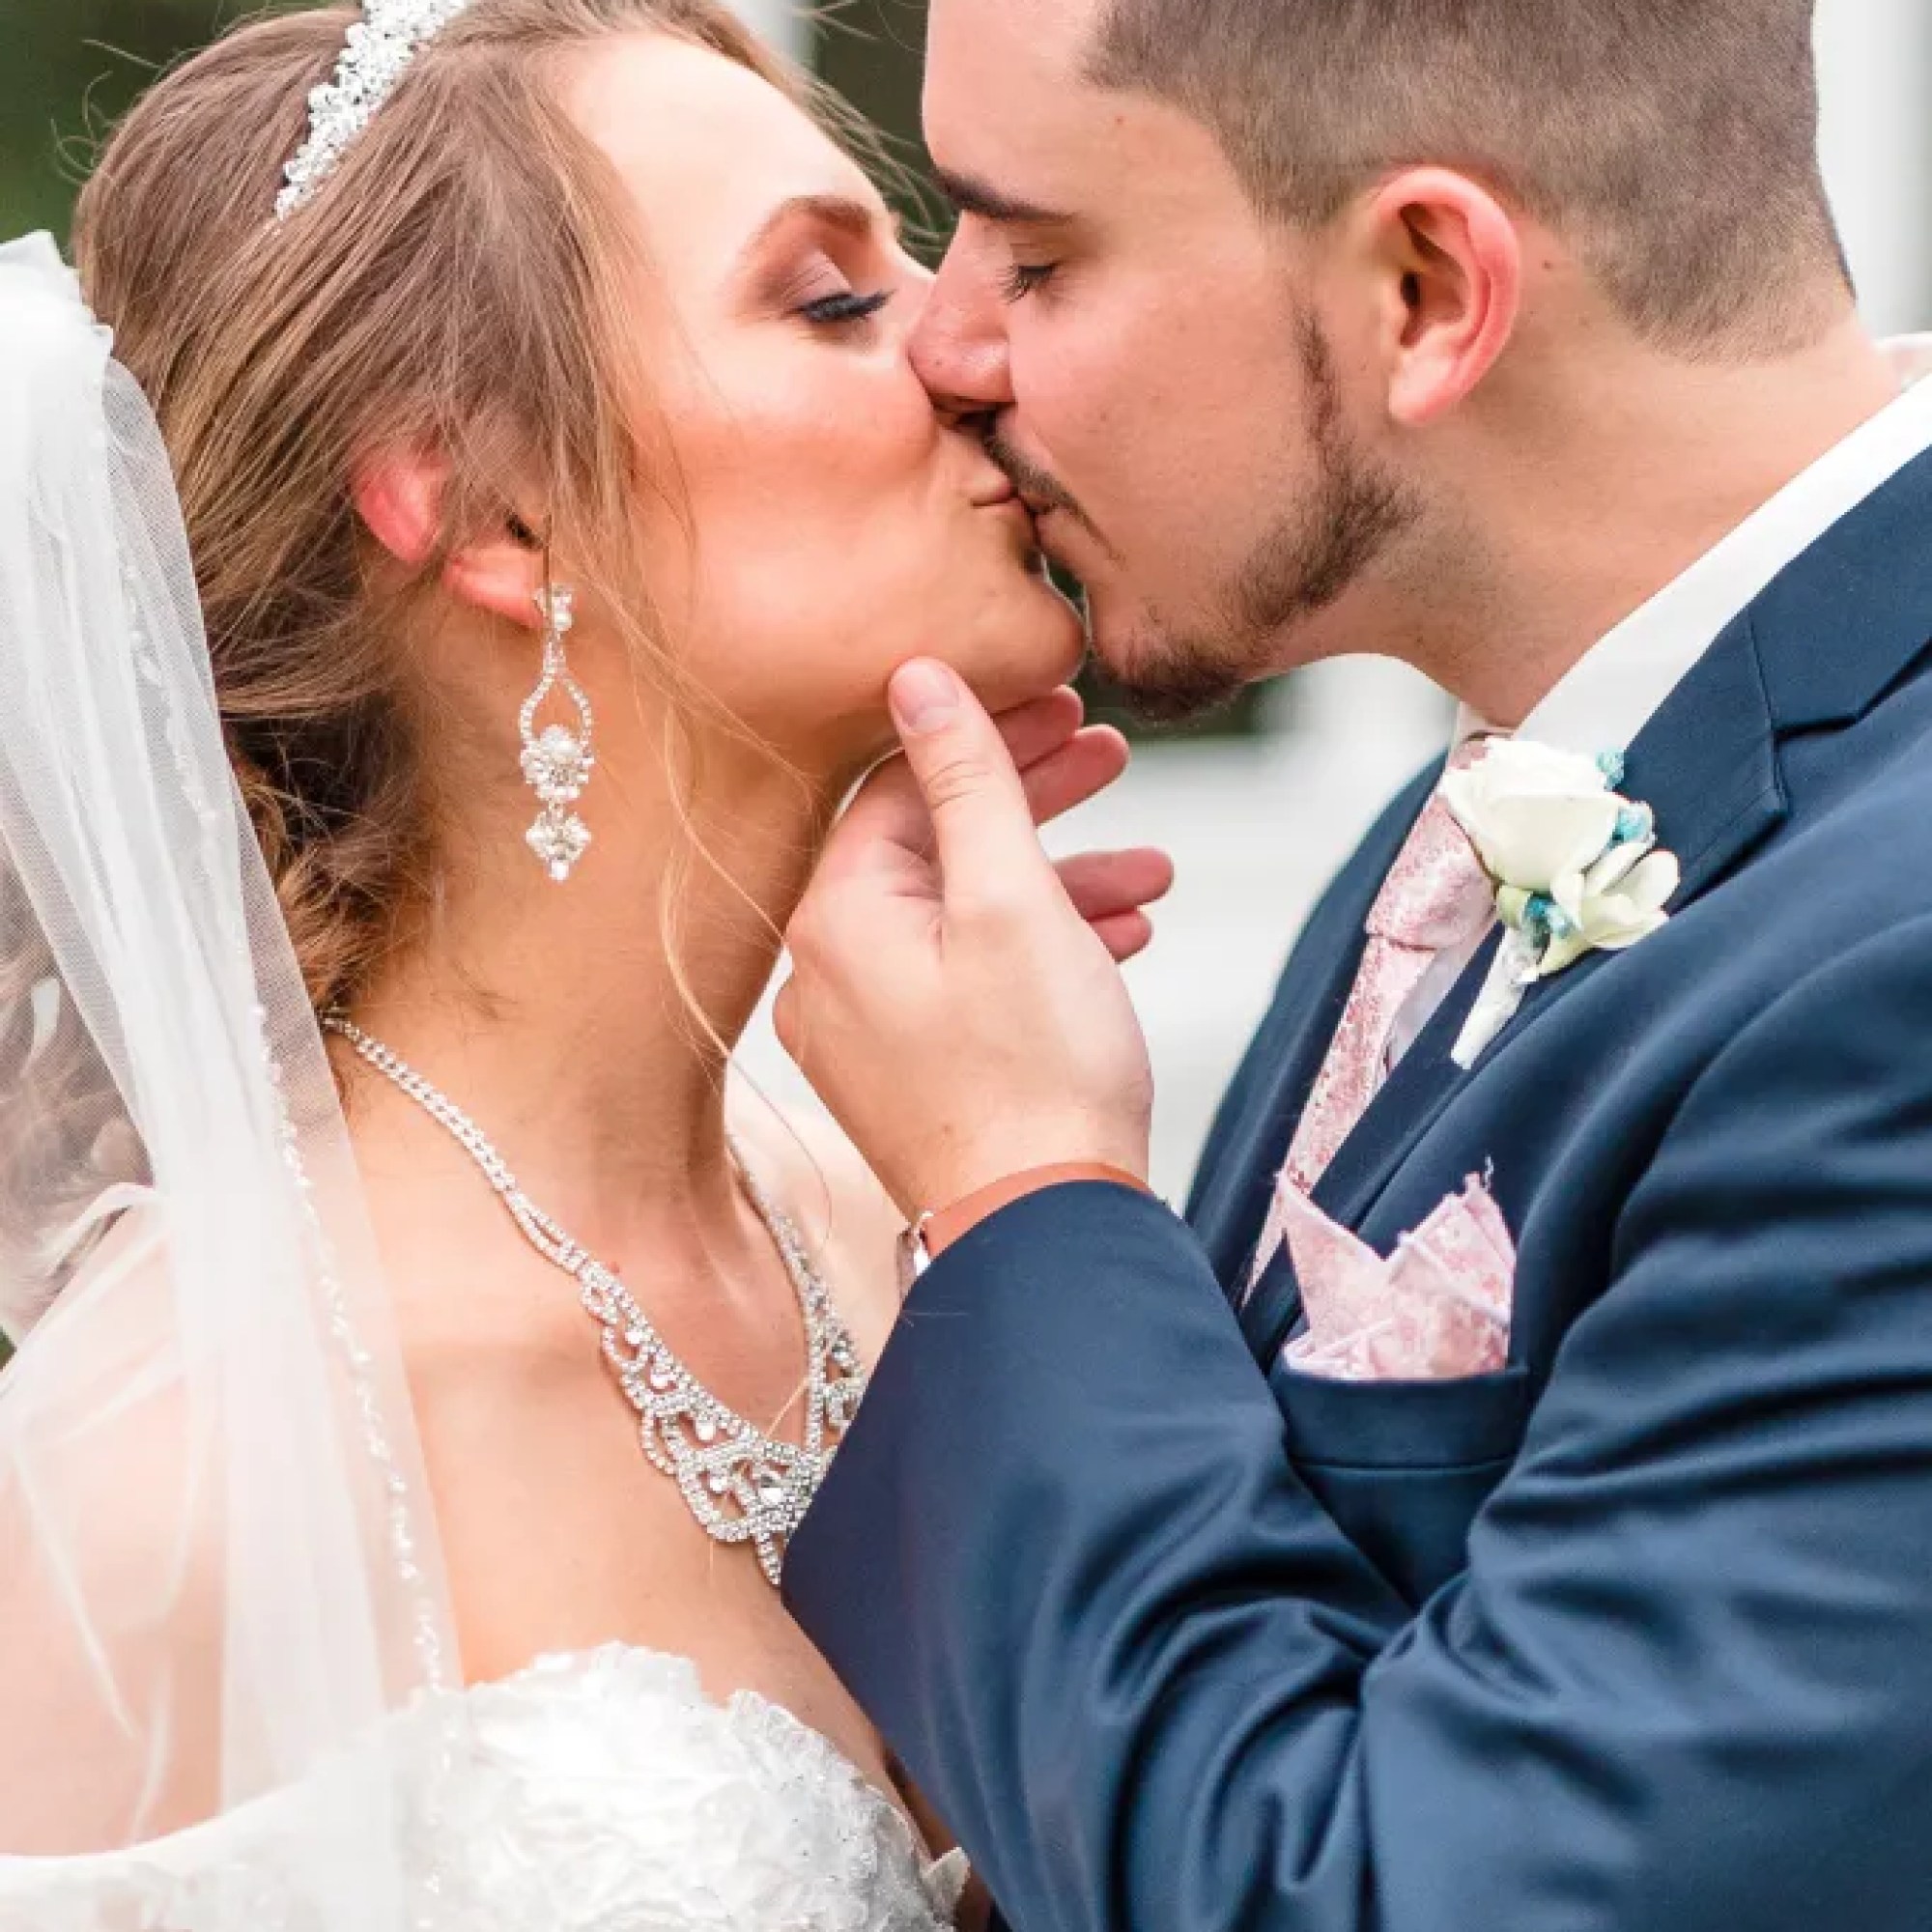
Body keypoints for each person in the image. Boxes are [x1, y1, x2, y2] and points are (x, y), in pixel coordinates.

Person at [0, 4, 1169, 1926]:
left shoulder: (936, 1204)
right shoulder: (174, 1478)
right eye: (827, 299)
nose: (970, 352)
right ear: (485, 512)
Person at [776, 1, 1932, 1927]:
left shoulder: (1891, 978)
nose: (945, 346)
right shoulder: (1487, 811)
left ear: (1423, 291)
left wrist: (1021, 1188)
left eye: (1037, 256)